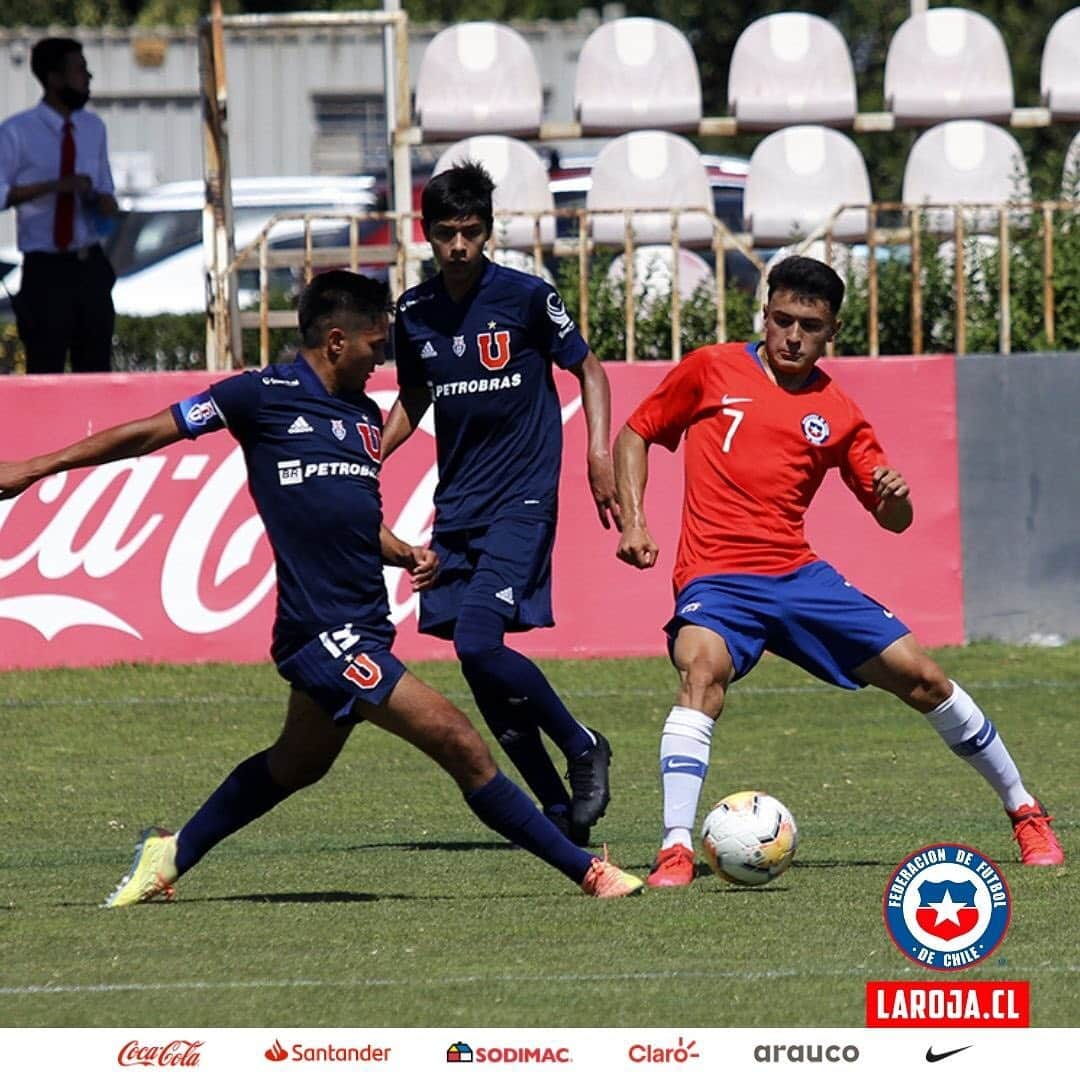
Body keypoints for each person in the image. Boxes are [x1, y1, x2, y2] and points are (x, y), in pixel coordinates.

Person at [0, 271, 643, 903]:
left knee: (297, 764)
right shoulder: (260, 395)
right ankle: (587, 872)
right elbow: (147, 432)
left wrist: (404, 552)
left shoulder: (364, 418)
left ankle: (170, 856)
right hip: (321, 633)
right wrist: (37, 466)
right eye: (374, 347)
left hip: (363, 623)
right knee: (458, 741)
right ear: (336, 341)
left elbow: (350, 517)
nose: (381, 362)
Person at [613, 255, 1064, 888]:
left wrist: (896, 495)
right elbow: (635, 433)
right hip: (715, 579)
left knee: (927, 679)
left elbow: (894, 519)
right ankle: (676, 849)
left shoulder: (839, 413)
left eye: (809, 325)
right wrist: (634, 518)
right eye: (782, 320)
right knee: (701, 671)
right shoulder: (711, 369)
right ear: (765, 315)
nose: (792, 336)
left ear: (832, 332)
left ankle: (1026, 812)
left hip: (797, 578)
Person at [383, 162, 619, 844]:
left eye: (472, 232)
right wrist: (368, 457)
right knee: (476, 665)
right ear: (425, 233)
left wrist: (595, 453)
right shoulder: (414, 312)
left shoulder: (524, 297)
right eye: (447, 233)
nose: (459, 246)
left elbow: (589, 368)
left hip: (521, 498)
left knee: (480, 641)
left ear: (488, 231)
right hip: (455, 507)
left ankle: (581, 745)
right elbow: (413, 397)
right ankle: (555, 809)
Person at [0, 37, 118, 374]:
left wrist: (103, 200)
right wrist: (55, 186)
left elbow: (106, 189)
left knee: (96, 365)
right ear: (54, 79)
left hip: (88, 261)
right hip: (46, 268)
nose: (88, 77)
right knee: (45, 364)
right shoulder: (16, 133)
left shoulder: (93, 128)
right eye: (79, 70)